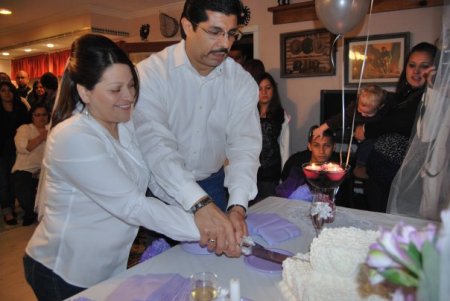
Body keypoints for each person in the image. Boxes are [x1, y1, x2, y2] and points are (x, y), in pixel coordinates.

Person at [24, 34, 200, 301]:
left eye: (131, 86)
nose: (129, 97)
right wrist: (205, 230)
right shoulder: (72, 137)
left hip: (108, 266)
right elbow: (132, 205)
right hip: (63, 272)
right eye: (116, 89)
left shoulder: (124, 123)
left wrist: (200, 207)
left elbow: (156, 178)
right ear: (85, 91)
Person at [133, 0, 261, 256]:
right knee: (162, 267)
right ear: (187, 26)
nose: (225, 44)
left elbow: (244, 146)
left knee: (214, 267)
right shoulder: (151, 74)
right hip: (159, 187)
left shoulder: (241, 82)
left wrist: (237, 206)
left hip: (213, 184)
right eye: (214, 32)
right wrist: (198, 204)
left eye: (232, 34)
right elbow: (157, 147)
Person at [354, 42, 438, 213]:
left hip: (398, 175)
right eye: (412, 65)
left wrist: (367, 131)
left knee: (390, 224)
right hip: (378, 172)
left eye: (424, 66)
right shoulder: (403, 95)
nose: (416, 71)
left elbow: (403, 122)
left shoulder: (432, 98)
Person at [313, 84, 389, 179]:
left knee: (368, 145)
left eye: (368, 113)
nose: (363, 114)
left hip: (377, 137)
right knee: (364, 146)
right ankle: (360, 165)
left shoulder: (384, 112)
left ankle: (361, 165)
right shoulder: (353, 109)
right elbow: (338, 119)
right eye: (360, 110)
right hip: (360, 135)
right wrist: (321, 128)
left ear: (380, 107)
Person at [276, 125, 340, 201]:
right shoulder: (296, 164)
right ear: (309, 146)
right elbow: (282, 193)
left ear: (334, 147)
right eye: (316, 145)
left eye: (326, 146)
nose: (321, 151)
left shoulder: (338, 168)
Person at [12, 103, 49, 226]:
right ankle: (30, 212)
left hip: (45, 169)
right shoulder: (25, 129)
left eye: (44, 114)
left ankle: (42, 213)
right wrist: (42, 136)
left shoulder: (53, 128)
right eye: (37, 115)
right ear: (32, 116)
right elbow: (24, 147)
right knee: (23, 184)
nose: (41, 118)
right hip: (25, 169)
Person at [0, 81, 29, 226]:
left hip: (17, 150)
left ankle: (12, 206)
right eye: (3, 90)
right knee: (3, 182)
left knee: (14, 180)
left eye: (9, 90)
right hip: (1, 152)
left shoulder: (21, 108)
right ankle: (7, 210)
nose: (7, 93)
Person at [253, 72, 285, 203]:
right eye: (260, 88)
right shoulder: (248, 112)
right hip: (250, 167)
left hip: (270, 170)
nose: (264, 92)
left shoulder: (279, 113)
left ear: (273, 90)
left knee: (267, 206)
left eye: (268, 88)